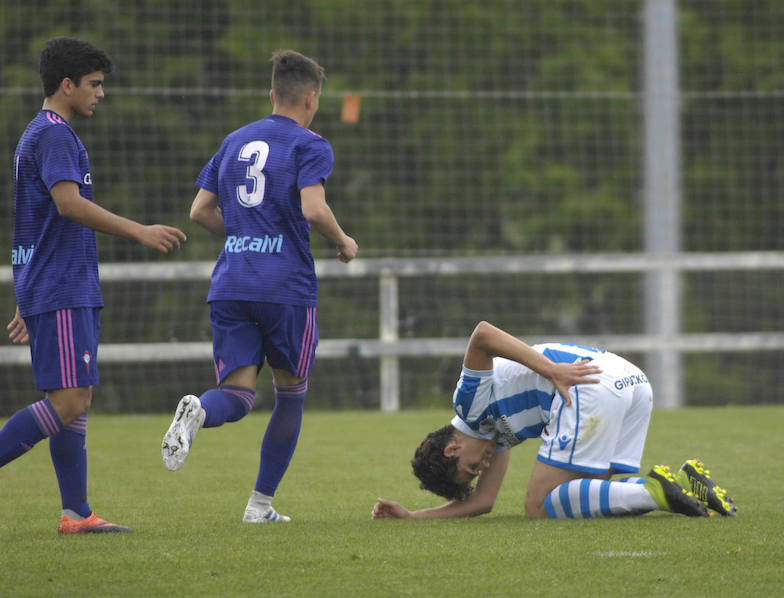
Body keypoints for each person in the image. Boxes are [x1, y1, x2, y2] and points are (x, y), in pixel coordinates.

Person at [161, 50, 358, 523]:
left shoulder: (234, 141)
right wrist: (344, 240)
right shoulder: (311, 144)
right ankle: (259, 506)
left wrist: (249, 237)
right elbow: (313, 210)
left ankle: (199, 413)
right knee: (291, 392)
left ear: (271, 95)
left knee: (237, 395)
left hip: (231, 282)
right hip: (285, 286)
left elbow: (199, 211)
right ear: (311, 99)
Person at [0, 37, 187, 534]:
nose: (101, 94)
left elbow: (31, 222)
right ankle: (76, 512)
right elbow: (68, 204)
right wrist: (140, 230)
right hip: (62, 286)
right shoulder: (56, 135)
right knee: (69, 402)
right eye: (95, 84)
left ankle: (77, 512)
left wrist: (27, 292)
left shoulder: (35, 134)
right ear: (67, 85)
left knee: (76, 397)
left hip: (57, 285)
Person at [372, 321, 737, 520]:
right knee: (607, 490)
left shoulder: (468, 406)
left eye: (471, 467)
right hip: (629, 380)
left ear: (453, 447)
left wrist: (551, 371)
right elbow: (483, 502)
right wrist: (414, 516)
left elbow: (482, 335)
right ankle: (684, 484)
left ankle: (653, 491)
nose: (482, 467)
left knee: (538, 507)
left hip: (585, 384)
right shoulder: (491, 437)